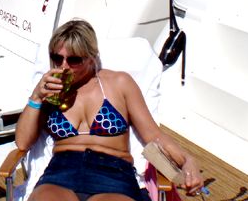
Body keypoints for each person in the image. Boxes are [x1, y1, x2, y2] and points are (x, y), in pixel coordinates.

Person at [16, 19, 204, 201]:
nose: (63, 66)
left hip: (114, 173)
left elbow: (153, 135)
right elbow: (23, 143)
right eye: (57, 58)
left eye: (74, 60)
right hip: (61, 171)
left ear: (91, 57)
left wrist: (187, 160)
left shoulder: (119, 83)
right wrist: (36, 97)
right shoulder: (50, 90)